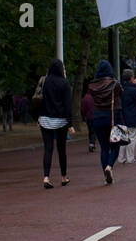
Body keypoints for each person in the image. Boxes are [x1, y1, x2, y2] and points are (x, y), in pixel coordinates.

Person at [36, 58, 74, 188]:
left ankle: (46, 177)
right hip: (60, 120)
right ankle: (63, 176)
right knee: (61, 149)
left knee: (48, 148)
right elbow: (68, 105)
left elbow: (38, 99)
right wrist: (70, 124)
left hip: (45, 118)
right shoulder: (64, 83)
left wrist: (38, 117)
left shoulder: (44, 81)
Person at [87, 60, 121, 184]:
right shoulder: (114, 84)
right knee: (115, 146)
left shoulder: (92, 85)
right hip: (112, 117)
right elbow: (121, 94)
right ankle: (110, 166)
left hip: (97, 117)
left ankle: (105, 174)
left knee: (104, 148)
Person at [118, 69, 136, 164]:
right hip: (132, 116)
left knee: (123, 137)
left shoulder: (121, 88)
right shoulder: (132, 90)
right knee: (132, 137)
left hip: (122, 116)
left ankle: (121, 158)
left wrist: (135, 85)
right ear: (131, 78)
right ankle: (130, 158)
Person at [81, 81, 95, 151]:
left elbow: (83, 109)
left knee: (90, 131)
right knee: (94, 131)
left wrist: (83, 116)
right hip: (95, 116)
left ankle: (91, 143)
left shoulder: (85, 98)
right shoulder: (95, 97)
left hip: (88, 117)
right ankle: (92, 144)